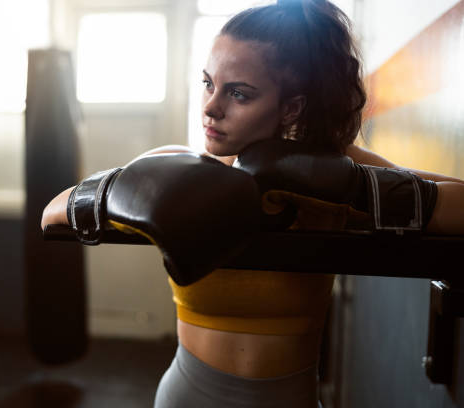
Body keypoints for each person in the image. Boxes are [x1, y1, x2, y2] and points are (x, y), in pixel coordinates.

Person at [41, 0, 464, 406]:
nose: (211, 107)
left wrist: (346, 186)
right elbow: (52, 214)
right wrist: (126, 189)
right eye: (208, 83)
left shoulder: (337, 170)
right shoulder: (178, 167)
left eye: (238, 94)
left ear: (290, 107)